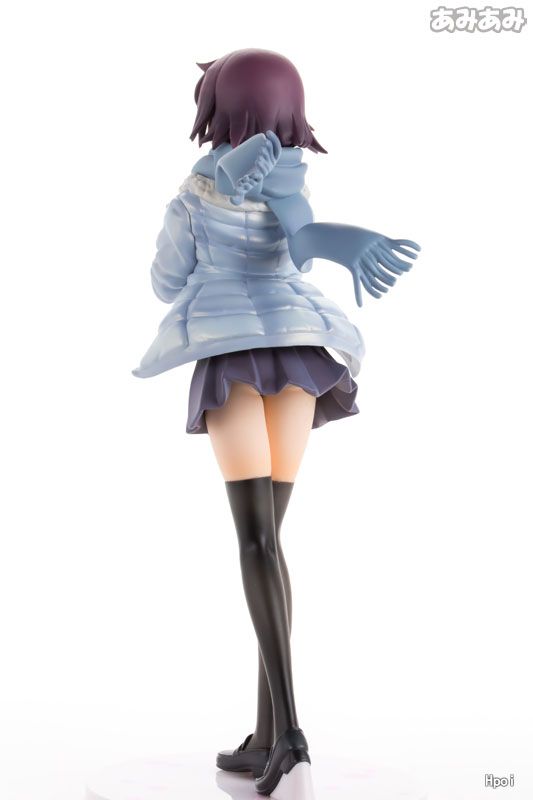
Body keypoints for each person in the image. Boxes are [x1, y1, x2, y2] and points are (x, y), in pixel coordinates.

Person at [133, 48, 420, 797]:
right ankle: (267, 733)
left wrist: (201, 214)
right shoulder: (291, 180)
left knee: (256, 543)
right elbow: (303, 247)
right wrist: (345, 241)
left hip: (234, 363)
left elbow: (165, 281)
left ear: (216, 108)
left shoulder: (194, 194)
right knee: (272, 543)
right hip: (298, 358)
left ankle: (289, 732)